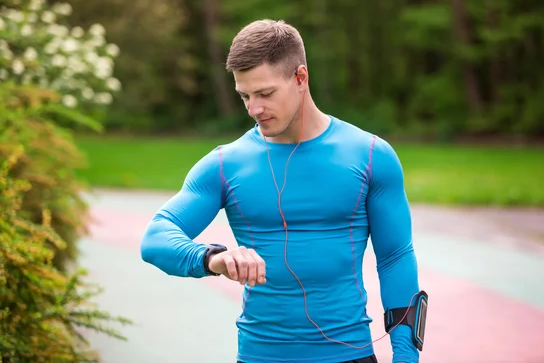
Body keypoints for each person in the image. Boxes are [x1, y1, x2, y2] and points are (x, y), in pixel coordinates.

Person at [140, 19, 425, 363]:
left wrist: (405, 356)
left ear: (300, 78)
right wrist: (213, 258)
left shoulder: (369, 156)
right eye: (244, 95)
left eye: (265, 93)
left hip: (349, 355)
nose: (253, 109)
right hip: (260, 356)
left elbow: (394, 257)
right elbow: (156, 238)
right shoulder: (225, 164)